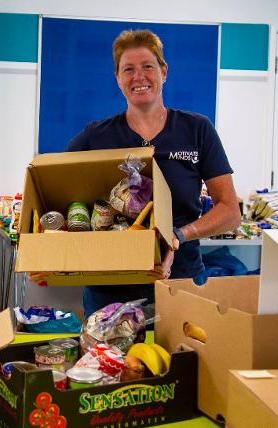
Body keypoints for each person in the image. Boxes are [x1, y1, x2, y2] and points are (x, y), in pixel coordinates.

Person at [64, 29, 241, 318]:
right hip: (109, 288)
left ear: (163, 71)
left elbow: (230, 211)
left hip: (180, 281)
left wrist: (179, 235)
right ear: (118, 78)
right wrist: (48, 258)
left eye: (148, 66)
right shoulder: (95, 136)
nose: (139, 77)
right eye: (128, 69)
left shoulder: (197, 130)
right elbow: (53, 190)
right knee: (108, 351)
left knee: (183, 349)